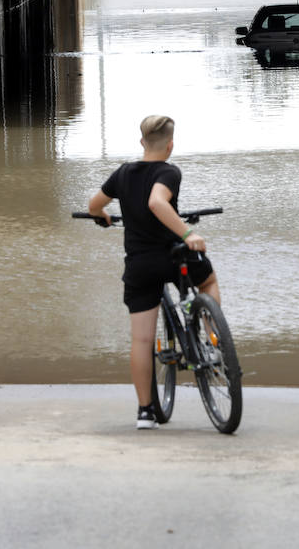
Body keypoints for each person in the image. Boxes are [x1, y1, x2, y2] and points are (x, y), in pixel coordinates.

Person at [87, 115, 221, 430]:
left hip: (140, 264)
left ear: (141, 143)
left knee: (142, 339)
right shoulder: (168, 171)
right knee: (209, 281)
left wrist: (104, 216)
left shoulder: (122, 173)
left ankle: (145, 411)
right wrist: (188, 234)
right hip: (174, 256)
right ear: (170, 145)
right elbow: (156, 202)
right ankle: (213, 341)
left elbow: (94, 204)